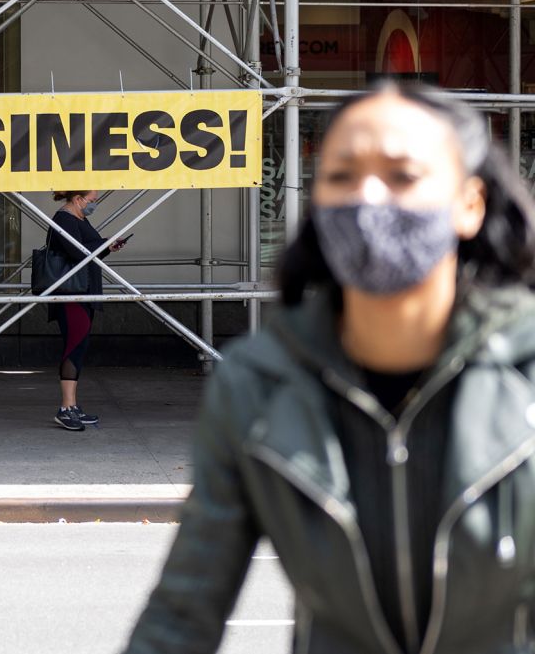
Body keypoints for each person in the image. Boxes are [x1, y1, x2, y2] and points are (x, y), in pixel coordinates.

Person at [124, 82, 535, 654]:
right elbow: (183, 612)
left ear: (470, 203)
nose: (368, 196)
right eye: (340, 176)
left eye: (402, 175)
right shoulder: (257, 383)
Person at [47, 191, 128, 431]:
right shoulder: (64, 219)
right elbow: (76, 252)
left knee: (79, 345)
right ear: (77, 198)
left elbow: (88, 250)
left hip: (84, 289)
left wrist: (107, 246)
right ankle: (65, 407)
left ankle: (72, 406)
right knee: (74, 344)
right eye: (92, 200)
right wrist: (103, 243)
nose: (95, 203)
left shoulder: (79, 218)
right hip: (71, 292)